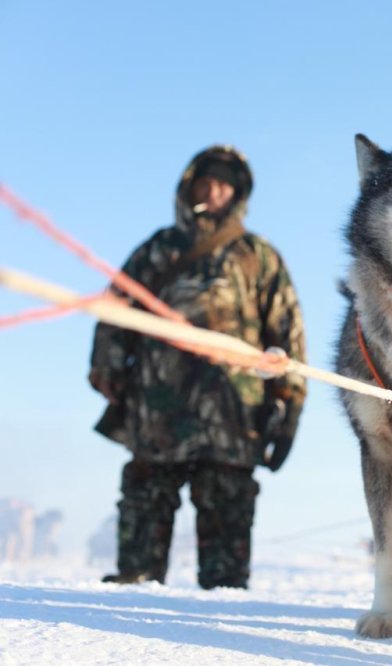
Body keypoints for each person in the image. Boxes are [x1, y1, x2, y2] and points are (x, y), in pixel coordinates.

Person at [88, 145, 307, 589]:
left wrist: (289, 409)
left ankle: (220, 614)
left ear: (239, 193)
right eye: (204, 182)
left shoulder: (258, 256)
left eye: (224, 184)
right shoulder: (158, 250)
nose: (213, 191)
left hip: (232, 413)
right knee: (145, 499)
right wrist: (108, 369)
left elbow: (287, 337)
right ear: (188, 188)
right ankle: (132, 596)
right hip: (157, 408)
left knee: (227, 510)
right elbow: (116, 308)